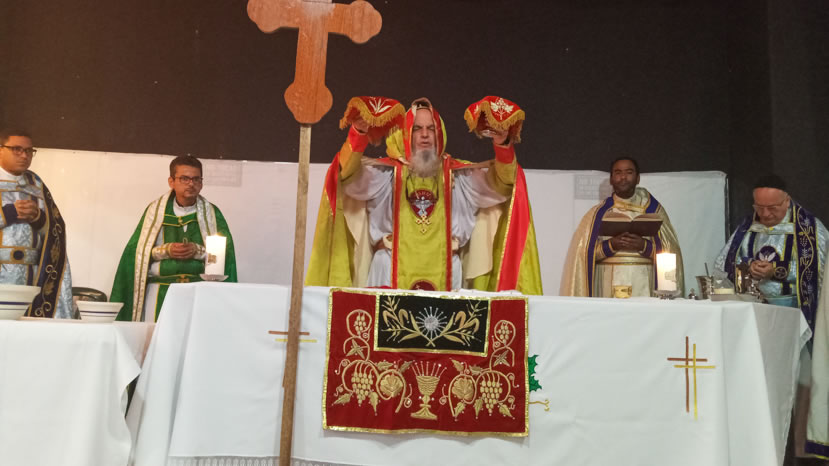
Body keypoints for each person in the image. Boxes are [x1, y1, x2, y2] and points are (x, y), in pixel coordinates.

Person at [305, 96, 542, 293]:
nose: (425, 135)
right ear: (406, 134)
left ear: (440, 134)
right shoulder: (385, 174)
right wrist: (358, 133)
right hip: (388, 269)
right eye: (417, 129)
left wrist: (502, 144)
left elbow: (504, 185)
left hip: (447, 271)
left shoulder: (459, 176)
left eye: (431, 129)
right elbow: (344, 177)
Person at [714, 175, 828, 462]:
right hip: (756, 318)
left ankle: (802, 452)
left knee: (801, 387)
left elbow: (820, 272)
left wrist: (777, 271)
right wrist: (747, 266)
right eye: (759, 207)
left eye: (772, 208)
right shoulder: (747, 227)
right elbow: (722, 265)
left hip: (799, 319)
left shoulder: (809, 228)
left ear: (787, 201)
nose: (764, 214)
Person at [111, 155, 237, 322]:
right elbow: (137, 253)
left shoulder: (212, 214)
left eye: (196, 179)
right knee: (156, 336)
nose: (191, 184)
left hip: (199, 292)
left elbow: (224, 257)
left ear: (201, 183)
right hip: (159, 291)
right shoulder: (155, 212)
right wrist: (166, 250)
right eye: (184, 178)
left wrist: (197, 251)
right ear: (171, 181)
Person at [560, 157, 684, 297]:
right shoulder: (597, 214)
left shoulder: (654, 211)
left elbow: (671, 254)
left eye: (629, 172)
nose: (623, 177)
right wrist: (611, 245)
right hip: (608, 283)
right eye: (618, 173)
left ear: (638, 178)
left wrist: (643, 246)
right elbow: (582, 255)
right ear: (611, 179)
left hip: (644, 282)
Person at [0, 128, 73, 318]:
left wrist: (39, 219)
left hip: (31, 277)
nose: (24, 155)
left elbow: (57, 229)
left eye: (29, 151)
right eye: (17, 149)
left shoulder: (36, 184)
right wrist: (8, 213)